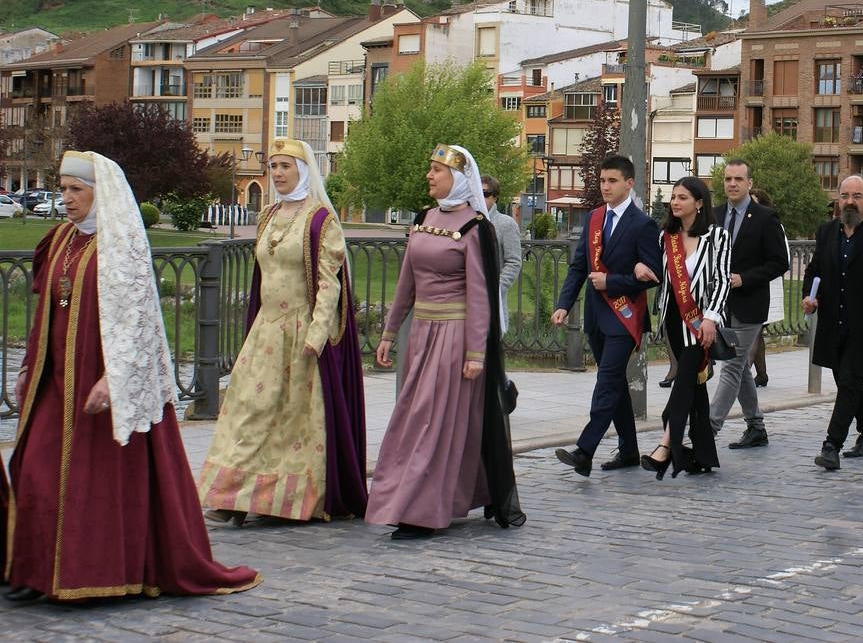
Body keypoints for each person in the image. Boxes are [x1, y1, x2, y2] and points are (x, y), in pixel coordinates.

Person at [5, 151, 258, 602]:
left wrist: (114, 378)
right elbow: (44, 311)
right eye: (62, 190)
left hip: (100, 383)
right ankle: (37, 572)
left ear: (100, 194)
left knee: (93, 483)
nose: (66, 199)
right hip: (54, 378)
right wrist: (28, 365)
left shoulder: (119, 247)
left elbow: (140, 323)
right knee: (36, 471)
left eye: (75, 190)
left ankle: (93, 574)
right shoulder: (59, 240)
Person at [198, 138, 367, 525]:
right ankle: (231, 495)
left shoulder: (321, 220)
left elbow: (331, 284)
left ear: (303, 170)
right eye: (273, 167)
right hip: (266, 329)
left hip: (300, 330)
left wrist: (317, 335)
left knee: (294, 421)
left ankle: (289, 499)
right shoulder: (269, 215)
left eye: (285, 167)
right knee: (248, 411)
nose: (277, 174)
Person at [365, 145, 524, 538]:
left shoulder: (475, 227)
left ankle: (422, 510)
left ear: (458, 177)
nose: (429, 176)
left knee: (435, 422)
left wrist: (475, 353)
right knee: (414, 417)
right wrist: (388, 333)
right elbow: (407, 283)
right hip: (421, 334)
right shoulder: (423, 219)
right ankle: (417, 499)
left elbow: (480, 295)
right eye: (430, 170)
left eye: (437, 170)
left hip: (454, 337)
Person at [552, 155, 662, 476]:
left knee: (607, 382)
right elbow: (578, 267)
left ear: (629, 183)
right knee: (615, 385)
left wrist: (611, 281)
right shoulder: (593, 218)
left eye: (612, 181)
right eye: (602, 181)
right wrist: (564, 303)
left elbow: (653, 275)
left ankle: (585, 449)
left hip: (625, 317)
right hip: (596, 315)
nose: (605, 187)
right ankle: (628, 450)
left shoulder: (643, 224)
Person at [635, 176, 731, 478]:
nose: (675, 202)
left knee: (685, 378)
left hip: (701, 322)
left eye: (682, 197)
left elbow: (722, 280)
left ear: (699, 203)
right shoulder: (667, 236)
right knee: (694, 387)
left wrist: (711, 317)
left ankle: (665, 446)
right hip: (674, 320)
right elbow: (658, 273)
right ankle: (703, 456)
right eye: (673, 197)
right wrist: (641, 268)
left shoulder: (717, 237)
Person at [803, 175, 863, 470]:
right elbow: (815, 269)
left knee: (850, 380)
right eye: (845, 195)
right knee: (847, 381)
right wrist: (809, 295)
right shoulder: (827, 231)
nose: (850, 202)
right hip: (833, 321)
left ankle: (831, 446)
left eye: (856, 196)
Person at [709, 159, 789, 449]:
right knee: (740, 367)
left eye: (738, 179)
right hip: (719, 305)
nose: (732, 184)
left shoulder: (766, 217)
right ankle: (756, 427)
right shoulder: (714, 215)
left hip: (751, 304)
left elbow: (780, 262)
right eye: (728, 179)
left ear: (749, 183)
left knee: (731, 366)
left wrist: (745, 278)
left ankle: (708, 431)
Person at [748, 186, 788, 388]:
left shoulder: (772, 225)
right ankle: (761, 374)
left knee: (754, 331)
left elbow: (783, 259)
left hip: (767, 286)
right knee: (756, 332)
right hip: (749, 286)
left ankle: (741, 372)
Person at [481, 175, 523, 334]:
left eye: (485, 193)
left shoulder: (506, 224)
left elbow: (513, 262)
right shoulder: (465, 221)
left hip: (492, 304)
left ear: (495, 197)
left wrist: (495, 289)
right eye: (477, 192)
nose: (480, 197)